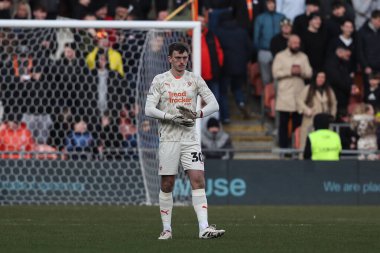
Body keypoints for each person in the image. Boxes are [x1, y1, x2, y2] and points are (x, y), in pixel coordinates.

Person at [144, 42, 225, 240]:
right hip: (169, 139)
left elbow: (214, 104)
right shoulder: (160, 80)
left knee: (198, 179)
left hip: (190, 139)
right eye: (178, 58)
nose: (182, 61)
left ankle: (204, 227)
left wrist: (197, 113)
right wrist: (171, 117)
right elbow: (148, 109)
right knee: (167, 183)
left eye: (185, 58)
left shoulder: (195, 79)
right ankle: (167, 229)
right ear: (170, 58)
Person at [272, 34, 313, 148]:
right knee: (283, 124)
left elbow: (309, 73)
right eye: (294, 43)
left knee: (298, 123)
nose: (296, 45)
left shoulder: (303, 57)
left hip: (299, 94)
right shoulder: (280, 56)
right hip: (285, 94)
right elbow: (275, 73)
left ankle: (296, 147)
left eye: (298, 43)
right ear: (288, 43)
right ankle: (283, 148)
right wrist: (290, 72)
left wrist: (301, 72)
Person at [297, 71, 337, 150]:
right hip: (310, 120)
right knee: (307, 144)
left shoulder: (329, 90)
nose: (321, 79)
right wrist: (306, 110)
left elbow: (334, 104)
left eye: (323, 77)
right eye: (319, 77)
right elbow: (299, 100)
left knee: (324, 144)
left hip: (325, 122)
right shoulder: (308, 88)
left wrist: (332, 115)